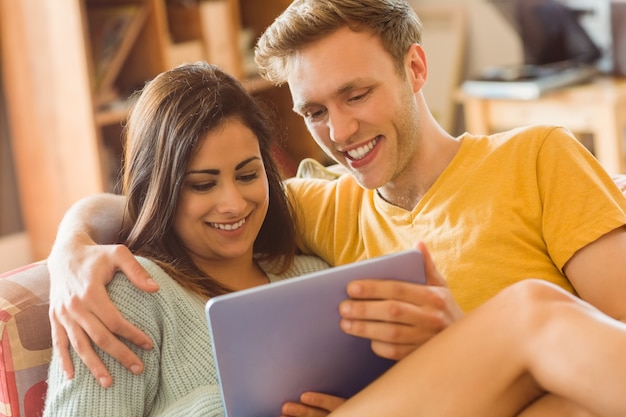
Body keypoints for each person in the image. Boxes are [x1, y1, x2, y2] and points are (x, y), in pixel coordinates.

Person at [47, 0, 626, 413]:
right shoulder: (317, 206)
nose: (341, 131)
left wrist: (464, 343)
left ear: (415, 68)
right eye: (315, 111)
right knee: (530, 311)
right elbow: (162, 201)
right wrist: (70, 247)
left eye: (357, 94)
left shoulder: (537, 157)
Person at [43, 62, 330, 415]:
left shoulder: (316, 276)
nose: (234, 204)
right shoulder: (130, 296)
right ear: (159, 190)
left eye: (247, 174)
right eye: (203, 184)